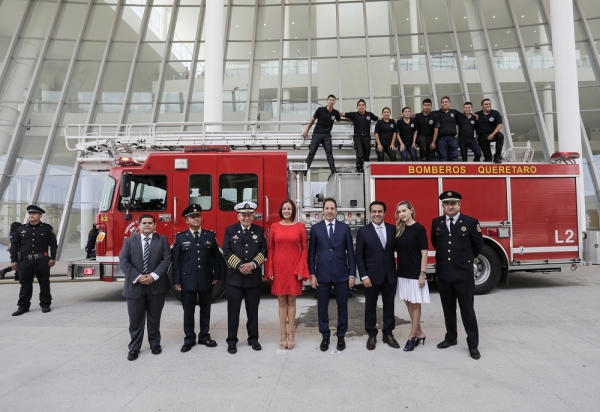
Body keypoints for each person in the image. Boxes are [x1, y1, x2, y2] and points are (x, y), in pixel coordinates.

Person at [431, 191, 483, 360]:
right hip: (444, 274)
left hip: (463, 275)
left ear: (459, 205)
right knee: (448, 309)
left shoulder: (470, 222)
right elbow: (435, 243)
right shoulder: (437, 223)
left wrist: (465, 261)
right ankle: (451, 338)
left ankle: (473, 344)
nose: (450, 206)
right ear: (443, 206)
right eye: (447, 204)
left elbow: (477, 246)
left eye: (453, 203)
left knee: (467, 310)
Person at [119, 214, 171, 361]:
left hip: (156, 286)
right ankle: (134, 348)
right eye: (144, 223)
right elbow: (124, 262)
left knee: (154, 319)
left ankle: (155, 344)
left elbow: (166, 260)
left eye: (150, 223)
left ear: (155, 226)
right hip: (135, 287)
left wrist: (153, 276)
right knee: (135, 320)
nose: (147, 225)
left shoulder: (162, 240)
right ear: (139, 226)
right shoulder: (129, 242)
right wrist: (138, 277)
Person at [172, 204, 222, 353]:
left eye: (198, 216)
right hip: (187, 280)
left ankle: (204, 336)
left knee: (206, 310)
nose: (196, 219)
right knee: (188, 311)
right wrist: (176, 280)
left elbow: (216, 259)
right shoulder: (180, 238)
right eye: (192, 217)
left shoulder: (210, 236)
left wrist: (217, 275)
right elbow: (176, 262)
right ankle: (189, 338)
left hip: (206, 279)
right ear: (187, 220)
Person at [308, 198, 356, 352]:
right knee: (322, 307)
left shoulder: (344, 228)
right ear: (322, 211)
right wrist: (312, 274)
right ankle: (325, 336)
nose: (329, 211)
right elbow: (312, 253)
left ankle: (341, 336)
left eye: (332, 208)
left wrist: (352, 275)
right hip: (322, 275)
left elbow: (351, 253)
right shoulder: (316, 229)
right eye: (327, 208)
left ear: (336, 211)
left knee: (343, 307)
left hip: (341, 273)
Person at [223, 201, 267, 354]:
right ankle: (232, 341)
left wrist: (253, 265)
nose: (246, 218)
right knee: (233, 312)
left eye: (249, 215)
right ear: (238, 216)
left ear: (253, 216)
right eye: (244, 215)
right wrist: (241, 265)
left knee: (253, 311)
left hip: (253, 279)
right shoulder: (230, 230)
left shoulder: (259, 231)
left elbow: (263, 251)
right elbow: (226, 252)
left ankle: (253, 339)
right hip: (234, 279)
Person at [266, 199, 310, 350]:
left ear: (293, 211)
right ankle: (282, 335)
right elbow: (270, 249)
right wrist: (270, 269)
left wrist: (301, 268)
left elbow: (304, 249)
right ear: (281, 210)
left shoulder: (300, 227)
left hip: (294, 268)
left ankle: (292, 334)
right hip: (278, 268)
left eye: (289, 209)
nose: (286, 211)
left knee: (292, 301)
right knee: (281, 302)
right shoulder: (274, 227)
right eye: (284, 208)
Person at [356, 201, 399, 350]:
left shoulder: (393, 230)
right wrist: (364, 276)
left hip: (390, 275)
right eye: (374, 211)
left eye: (379, 211)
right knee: (370, 306)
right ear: (370, 213)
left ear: (384, 213)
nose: (377, 214)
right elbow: (359, 256)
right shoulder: (363, 232)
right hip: (371, 277)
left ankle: (388, 334)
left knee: (389, 305)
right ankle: (372, 335)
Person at [394, 201, 429, 351]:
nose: (402, 214)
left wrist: (422, 274)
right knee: (408, 302)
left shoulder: (419, 228)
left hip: (415, 273)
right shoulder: (399, 229)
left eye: (404, 210)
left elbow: (424, 252)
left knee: (415, 304)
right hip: (402, 272)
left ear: (411, 210)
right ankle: (419, 333)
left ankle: (412, 336)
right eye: (399, 211)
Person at [10, 206, 57, 316]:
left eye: (34, 213)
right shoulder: (20, 229)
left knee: (44, 283)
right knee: (25, 285)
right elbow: (14, 246)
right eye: (30, 213)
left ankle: (45, 304)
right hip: (25, 261)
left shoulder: (47, 228)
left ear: (40, 215)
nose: (31, 215)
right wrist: (13, 260)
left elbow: (53, 245)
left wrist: (52, 258)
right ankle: (23, 306)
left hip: (42, 260)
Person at [302, 94, 340, 176]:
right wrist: (306, 131)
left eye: (333, 100)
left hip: (327, 135)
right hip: (317, 134)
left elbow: (340, 119)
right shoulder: (320, 110)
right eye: (330, 100)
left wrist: (353, 118)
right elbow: (312, 120)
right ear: (327, 101)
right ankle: (305, 169)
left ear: (335, 102)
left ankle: (333, 170)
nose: (331, 101)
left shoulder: (335, 113)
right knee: (312, 152)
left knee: (329, 153)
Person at [340, 99, 378, 173]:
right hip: (357, 137)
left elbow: (378, 118)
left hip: (367, 137)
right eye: (359, 105)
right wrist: (332, 110)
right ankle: (359, 169)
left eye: (363, 105)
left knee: (367, 154)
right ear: (357, 107)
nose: (361, 107)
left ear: (365, 106)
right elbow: (343, 114)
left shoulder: (369, 114)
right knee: (360, 153)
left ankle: (366, 169)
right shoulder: (354, 114)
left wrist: (390, 119)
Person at [475, 98, 504, 163]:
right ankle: (488, 159)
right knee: (488, 157)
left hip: (493, 134)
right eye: (486, 104)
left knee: (500, 136)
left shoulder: (495, 113)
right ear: (482, 106)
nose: (488, 105)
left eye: (489, 104)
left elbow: (500, 125)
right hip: (482, 136)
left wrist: (493, 134)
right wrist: (472, 116)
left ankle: (497, 156)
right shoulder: (477, 114)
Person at [436, 96, 460, 161]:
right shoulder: (436, 113)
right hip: (441, 139)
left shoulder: (454, 112)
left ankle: (453, 171)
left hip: (453, 138)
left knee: (454, 157)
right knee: (443, 157)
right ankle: (444, 171)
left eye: (446, 102)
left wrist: (474, 115)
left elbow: (465, 116)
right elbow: (426, 114)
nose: (444, 103)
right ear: (440, 104)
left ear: (449, 103)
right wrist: (415, 115)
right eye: (443, 102)